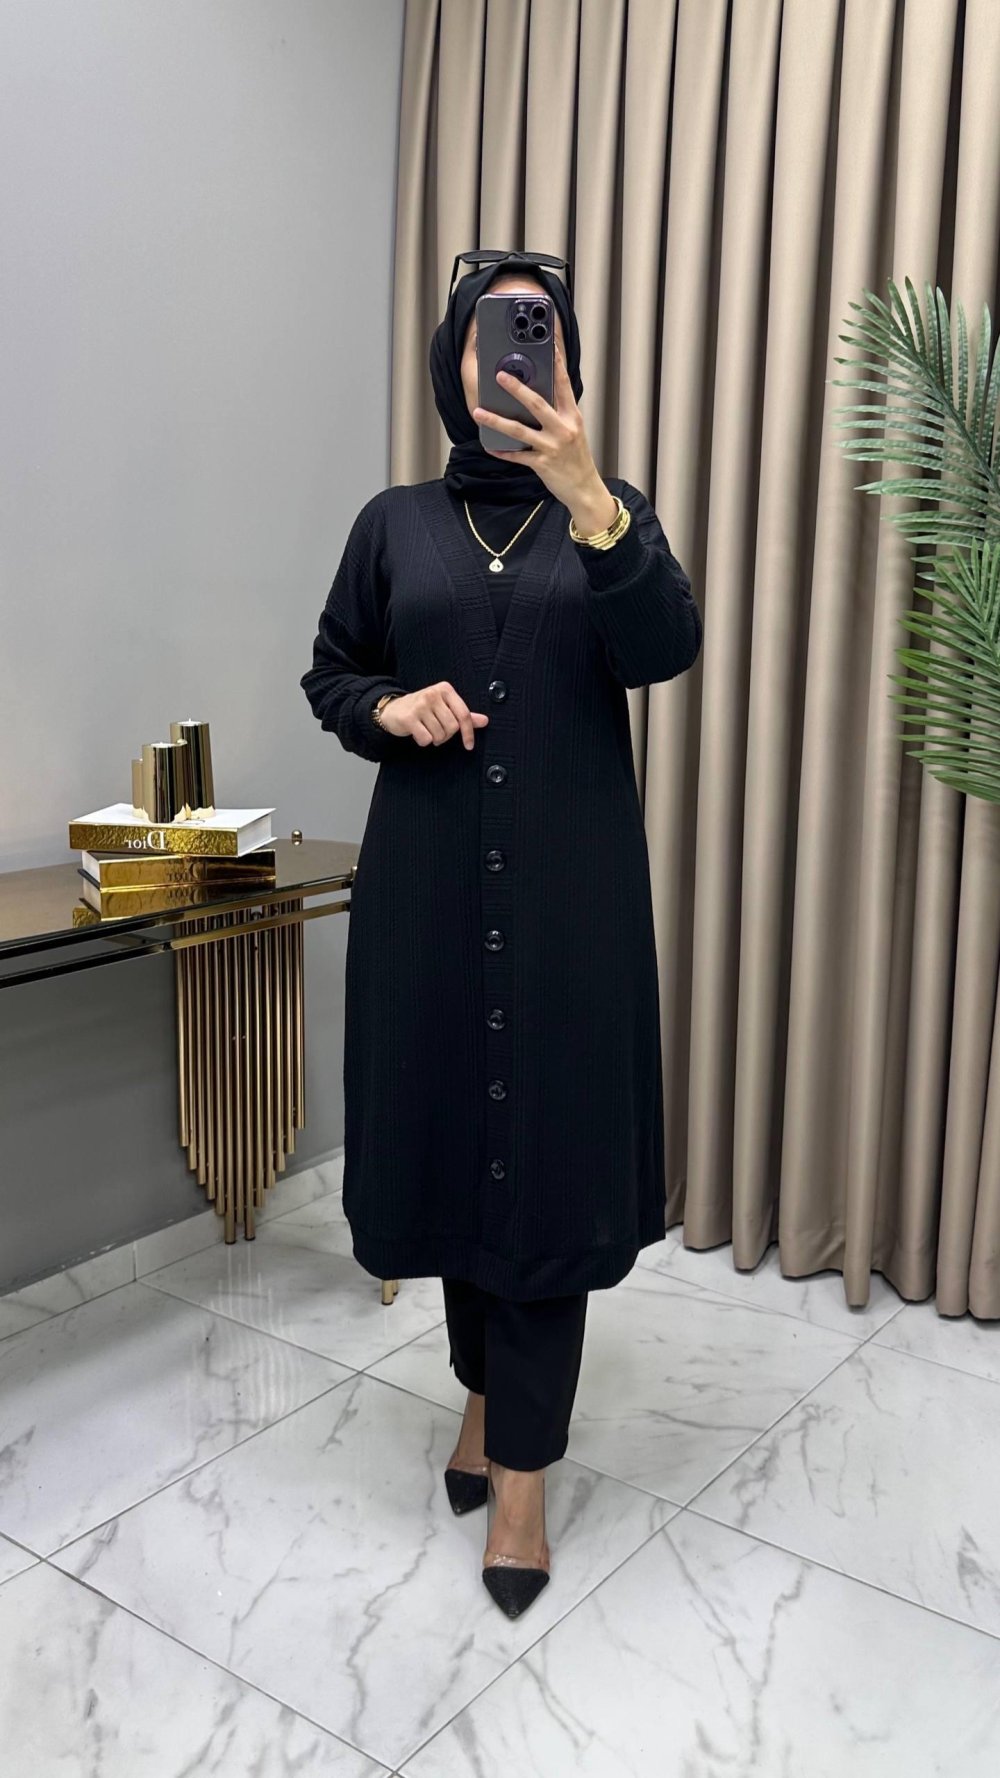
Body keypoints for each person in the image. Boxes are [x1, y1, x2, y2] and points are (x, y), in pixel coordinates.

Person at [300, 249, 703, 1618]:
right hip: (426, 898)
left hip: (567, 904)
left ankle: (520, 1477)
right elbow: (333, 670)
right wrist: (387, 708)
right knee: (457, 1163)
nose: (514, 359)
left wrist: (592, 497)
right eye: (491, 336)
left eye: (538, 337)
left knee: (539, 1168)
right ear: (455, 364)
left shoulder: (610, 513)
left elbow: (663, 649)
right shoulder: (393, 523)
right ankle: (482, 1399)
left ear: (565, 363)